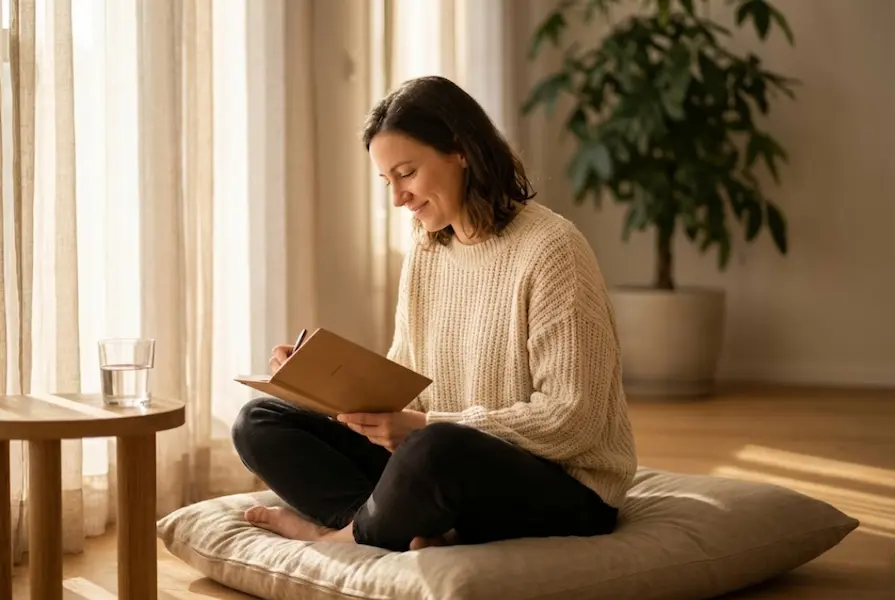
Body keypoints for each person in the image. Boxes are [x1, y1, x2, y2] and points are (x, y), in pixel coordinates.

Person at [231, 75, 638, 552]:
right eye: (387, 181)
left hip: (564, 489)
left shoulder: (552, 249)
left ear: (460, 150)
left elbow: (573, 420)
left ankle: (343, 535)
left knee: (434, 448)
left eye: (406, 174)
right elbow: (407, 391)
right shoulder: (428, 249)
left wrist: (428, 428)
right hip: (441, 461)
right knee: (259, 420)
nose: (397, 198)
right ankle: (386, 524)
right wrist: (313, 384)